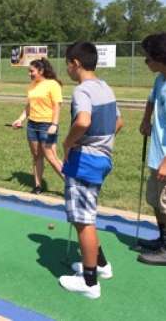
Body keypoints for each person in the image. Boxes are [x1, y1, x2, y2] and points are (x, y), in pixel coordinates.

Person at [59, 42, 123, 299]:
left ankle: (89, 281)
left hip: (85, 160)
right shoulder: (105, 87)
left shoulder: (82, 91)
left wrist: (69, 142)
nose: (67, 69)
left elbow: (83, 121)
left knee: (84, 221)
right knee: (85, 216)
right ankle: (101, 265)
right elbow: (119, 121)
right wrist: (101, 143)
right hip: (103, 159)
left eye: (68, 64)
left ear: (75, 63)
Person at [12, 58, 64, 194]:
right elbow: (29, 105)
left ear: (41, 71)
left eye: (32, 71)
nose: (29, 74)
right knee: (36, 156)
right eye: (29, 71)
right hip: (32, 125)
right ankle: (38, 186)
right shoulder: (32, 86)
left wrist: (54, 124)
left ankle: (72, 186)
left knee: (51, 156)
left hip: (47, 125)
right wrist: (21, 119)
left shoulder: (53, 84)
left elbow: (57, 106)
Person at [137, 32, 166, 265]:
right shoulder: (160, 79)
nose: (146, 62)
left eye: (148, 58)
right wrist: (146, 120)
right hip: (157, 154)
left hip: (165, 159)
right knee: (155, 201)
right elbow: (150, 99)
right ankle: (162, 240)